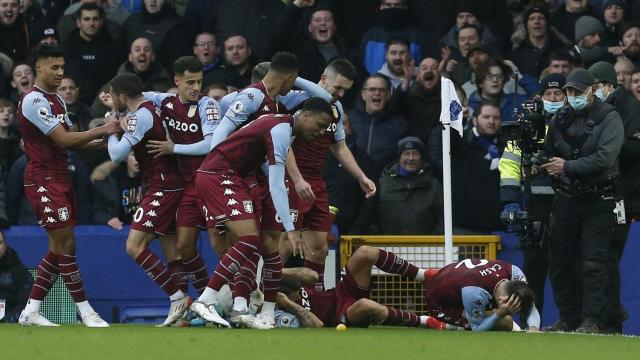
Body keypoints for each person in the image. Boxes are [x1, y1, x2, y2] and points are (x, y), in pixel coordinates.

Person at [190, 98, 333, 329]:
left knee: (253, 244)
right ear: (305, 115)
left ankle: (239, 309)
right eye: (320, 124)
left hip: (236, 179)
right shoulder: (280, 129)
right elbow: (277, 184)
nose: (322, 132)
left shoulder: (282, 128)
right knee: (248, 241)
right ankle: (206, 299)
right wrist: (292, 229)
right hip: (220, 175)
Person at [17, 44, 119, 327]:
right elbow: (63, 139)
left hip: (61, 176)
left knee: (59, 246)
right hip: (43, 179)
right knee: (67, 245)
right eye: (54, 67)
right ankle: (87, 313)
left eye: (62, 67)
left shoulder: (59, 101)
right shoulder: (33, 101)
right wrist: (103, 129)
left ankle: (31, 311)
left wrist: (113, 137)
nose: (61, 72)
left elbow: (75, 141)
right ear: (38, 67)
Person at [270, 59, 376, 295]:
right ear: (324, 78)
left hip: (317, 183)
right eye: (337, 88)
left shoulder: (336, 111)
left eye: (345, 90)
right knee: (286, 243)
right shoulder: (294, 99)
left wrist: (360, 176)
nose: (340, 94)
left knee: (319, 246)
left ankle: (313, 300)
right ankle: (264, 300)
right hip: (289, 180)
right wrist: (297, 179)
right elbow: (282, 143)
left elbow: (339, 147)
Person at [541, 69, 624, 334]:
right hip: (566, 199)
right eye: (570, 91)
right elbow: (547, 151)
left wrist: (567, 166)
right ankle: (568, 318)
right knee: (560, 262)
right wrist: (537, 164)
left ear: (594, 88)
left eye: (578, 91)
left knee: (593, 263)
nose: (573, 96)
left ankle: (593, 320)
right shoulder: (560, 118)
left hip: (599, 200)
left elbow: (604, 159)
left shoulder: (609, 118)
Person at [105, 73, 189, 327]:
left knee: (134, 246)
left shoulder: (140, 116)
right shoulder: (154, 105)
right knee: (171, 249)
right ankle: (181, 316)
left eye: (114, 96)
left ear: (122, 96)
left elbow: (117, 154)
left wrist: (111, 127)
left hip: (162, 186)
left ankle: (177, 298)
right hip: (171, 182)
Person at [140, 56, 221, 298]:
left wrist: (173, 148)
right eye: (190, 83)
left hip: (213, 182)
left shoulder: (208, 106)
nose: (196, 88)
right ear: (176, 81)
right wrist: (112, 100)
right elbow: (135, 95)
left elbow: (210, 144)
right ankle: (207, 301)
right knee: (185, 247)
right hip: (189, 186)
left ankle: (233, 299)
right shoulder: (164, 101)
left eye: (199, 82)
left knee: (222, 246)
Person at [499, 73, 567, 314]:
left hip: (569, 202)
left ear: (566, 95)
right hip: (535, 203)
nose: (552, 98)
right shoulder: (525, 125)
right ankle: (531, 321)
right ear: (540, 96)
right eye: (548, 94)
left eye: (558, 93)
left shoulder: (575, 121)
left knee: (567, 265)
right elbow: (509, 164)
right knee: (534, 266)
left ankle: (573, 322)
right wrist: (509, 202)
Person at [276, 245, 446, 329]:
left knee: (365, 252)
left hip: (340, 291)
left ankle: (425, 276)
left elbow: (311, 276)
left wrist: (276, 271)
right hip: (341, 316)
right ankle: (427, 322)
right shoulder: (278, 313)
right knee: (366, 305)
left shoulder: (277, 282)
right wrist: (287, 303)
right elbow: (318, 325)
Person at [588, 61, 640, 333]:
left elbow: (636, 148)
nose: (592, 91)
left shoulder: (628, 107)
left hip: (624, 196)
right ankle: (608, 313)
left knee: (606, 256)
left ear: (609, 85)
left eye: (596, 86)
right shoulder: (601, 108)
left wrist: (609, 144)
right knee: (601, 255)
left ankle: (611, 317)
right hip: (606, 193)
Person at [423, 258, 540, 332]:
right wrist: (499, 314)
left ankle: (424, 273)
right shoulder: (475, 293)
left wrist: (534, 328)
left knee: (503, 319)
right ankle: (430, 322)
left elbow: (531, 306)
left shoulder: (515, 272)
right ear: (501, 299)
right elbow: (478, 329)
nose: (512, 312)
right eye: (511, 309)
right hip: (440, 303)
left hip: (450, 273)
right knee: (506, 323)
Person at [91, 37, 173, 115]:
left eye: (146, 50)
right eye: (137, 50)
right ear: (130, 57)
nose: (142, 53)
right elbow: (95, 112)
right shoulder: (116, 83)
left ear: (153, 56)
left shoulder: (164, 82)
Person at [377, 136, 443, 235]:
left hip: (426, 248)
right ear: (399, 157)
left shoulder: (433, 185)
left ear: (421, 157)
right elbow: (372, 215)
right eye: (406, 154)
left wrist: (433, 242)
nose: (411, 158)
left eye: (415, 153)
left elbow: (444, 217)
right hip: (388, 246)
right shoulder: (383, 183)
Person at [64, 2, 122, 105]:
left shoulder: (111, 46)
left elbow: (115, 78)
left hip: (104, 101)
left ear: (101, 21)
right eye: (87, 19)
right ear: (78, 22)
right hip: (76, 102)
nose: (91, 23)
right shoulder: (68, 47)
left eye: (95, 19)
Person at [348, 74, 407, 175]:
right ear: (363, 94)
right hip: (350, 180)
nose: (377, 93)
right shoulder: (349, 119)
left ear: (388, 95)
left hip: (383, 183)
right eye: (372, 89)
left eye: (382, 90)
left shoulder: (400, 126)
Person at [89, 152, 142, 230]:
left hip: (145, 232)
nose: (138, 160)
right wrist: (108, 219)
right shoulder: (112, 182)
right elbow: (97, 212)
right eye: (133, 155)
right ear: (125, 157)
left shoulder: (153, 180)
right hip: (120, 230)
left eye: (142, 155)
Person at [0, 230, 33, 323]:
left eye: (0, 243)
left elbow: (26, 306)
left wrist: (4, 323)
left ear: (5, 245)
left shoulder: (21, 274)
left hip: (11, 329)